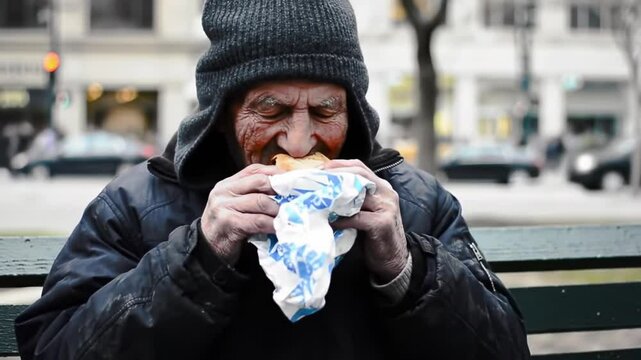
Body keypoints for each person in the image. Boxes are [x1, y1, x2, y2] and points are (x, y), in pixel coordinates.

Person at [15, 0, 530, 359]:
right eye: (272, 109)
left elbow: (505, 348)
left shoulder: (413, 204)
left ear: (354, 113)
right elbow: (55, 347)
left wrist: (406, 268)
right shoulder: (137, 207)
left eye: (325, 110)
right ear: (221, 112)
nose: (300, 142)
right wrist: (198, 260)